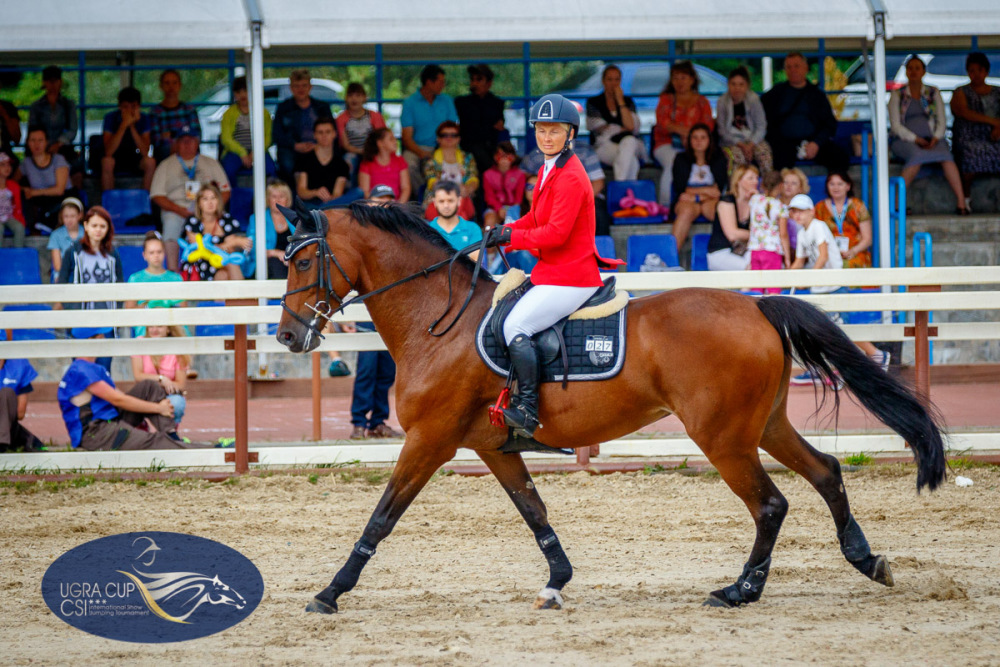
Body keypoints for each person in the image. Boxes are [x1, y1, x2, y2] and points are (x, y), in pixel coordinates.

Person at [482, 94, 624, 442]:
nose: (547, 137)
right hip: (552, 273)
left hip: (571, 277)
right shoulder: (549, 168)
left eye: (554, 131)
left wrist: (513, 239)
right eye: (541, 130)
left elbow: (557, 234)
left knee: (515, 324)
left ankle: (529, 409)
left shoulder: (572, 177)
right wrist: (506, 231)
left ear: (569, 133)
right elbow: (537, 217)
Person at [786, 194, 890, 385]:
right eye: (793, 211)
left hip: (834, 287)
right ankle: (820, 369)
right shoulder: (802, 234)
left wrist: (806, 279)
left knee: (839, 330)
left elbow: (823, 256)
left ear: (811, 211)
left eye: (801, 210)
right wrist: (786, 278)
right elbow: (799, 261)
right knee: (817, 330)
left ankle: (875, 356)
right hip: (819, 289)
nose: (797, 214)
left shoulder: (818, 226)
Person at [58, 327, 211, 450]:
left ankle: (172, 436)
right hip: (97, 433)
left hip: (110, 420)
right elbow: (118, 400)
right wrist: (158, 408)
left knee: (148, 386)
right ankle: (201, 450)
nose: (105, 340)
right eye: (102, 337)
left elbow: (119, 397)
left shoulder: (91, 367)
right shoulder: (82, 371)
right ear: (95, 339)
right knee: (155, 442)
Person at [888, 56, 967, 214]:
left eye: (917, 68)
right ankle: (897, 204)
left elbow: (941, 120)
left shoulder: (932, 92)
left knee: (946, 157)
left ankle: (962, 203)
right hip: (905, 140)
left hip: (932, 140)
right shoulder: (898, 95)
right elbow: (896, 126)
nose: (914, 72)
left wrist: (936, 138)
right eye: (910, 68)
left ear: (924, 71)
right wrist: (915, 139)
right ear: (906, 71)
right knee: (916, 156)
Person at [149, 125, 230, 269]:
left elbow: (225, 190)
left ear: (197, 142)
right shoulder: (166, 165)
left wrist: (211, 209)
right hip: (176, 210)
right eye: (183, 140)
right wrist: (179, 210)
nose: (187, 144)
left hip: (206, 209)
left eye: (191, 140)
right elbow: (157, 195)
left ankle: (219, 268)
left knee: (224, 226)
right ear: (176, 143)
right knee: (170, 228)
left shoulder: (210, 163)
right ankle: (173, 272)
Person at [761, 52, 848, 172]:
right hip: (783, 144)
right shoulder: (776, 94)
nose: (793, 70)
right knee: (778, 159)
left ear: (806, 68)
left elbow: (830, 124)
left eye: (796, 66)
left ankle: (835, 188)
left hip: (813, 142)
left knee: (839, 157)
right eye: (789, 67)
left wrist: (817, 143)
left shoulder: (817, 95)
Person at [653, 61, 714, 206]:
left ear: (692, 79)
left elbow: (707, 127)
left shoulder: (702, 102)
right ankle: (665, 206)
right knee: (673, 162)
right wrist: (686, 133)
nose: (679, 82)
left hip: (696, 146)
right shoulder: (666, 99)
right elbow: (663, 123)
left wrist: (691, 137)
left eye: (683, 78)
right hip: (666, 145)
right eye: (675, 78)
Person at [520, 141, 611, 235]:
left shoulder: (585, 152)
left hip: (581, 198)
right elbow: (521, 178)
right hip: (546, 199)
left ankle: (599, 246)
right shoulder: (536, 155)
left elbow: (598, 182)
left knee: (596, 212)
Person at [951, 52, 1000, 212]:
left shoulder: (997, 91)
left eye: (979, 70)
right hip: (969, 137)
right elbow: (963, 112)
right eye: (972, 70)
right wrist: (993, 122)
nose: (976, 74)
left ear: (986, 71)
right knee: (970, 152)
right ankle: (965, 200)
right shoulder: (961, 92)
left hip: (995, 136)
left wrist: (998, 128)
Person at [670, 123, 728, 252]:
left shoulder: (719, 158)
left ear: (709, 140)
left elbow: (718, 190)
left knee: (720, 212)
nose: (699, 141)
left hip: (709, 201)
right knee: (686, 212)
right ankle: (671, 258)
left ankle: (729, 253)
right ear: (689, 140)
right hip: (687, 201)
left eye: (703, 137)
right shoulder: (680, 159)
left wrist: (695, 195)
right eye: (695, 138)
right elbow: (681, 189)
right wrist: (707, 191)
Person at [400, 64, 457, 191]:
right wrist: (422, 153)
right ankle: (422, 196)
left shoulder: (447, 101)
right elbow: (407, 138)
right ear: (428, 82)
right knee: (408, 165)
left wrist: (442, 149)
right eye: (440, 82)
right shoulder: (410, 103)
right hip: (417, 147)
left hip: (443, 145)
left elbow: (452, 129)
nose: (443, 85)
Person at [180, 183, 250, 281]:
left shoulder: (227, 220)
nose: (210, 202)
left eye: (213, 198)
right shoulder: (193, 221)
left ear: (219, 201)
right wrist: (234, 242)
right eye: (205, 199)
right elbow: (200, 248)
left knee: (225, 271)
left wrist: (229, 245)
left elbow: (230, 250)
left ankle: (241, 296)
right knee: (229, 265)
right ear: (199, 203)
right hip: (199, 264)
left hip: (221, 263)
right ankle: (245, 296)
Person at [587, 64, 645, 181]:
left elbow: (631, 126)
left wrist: (620, 101)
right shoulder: (594, 102)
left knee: (629, 142)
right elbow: (599, 127)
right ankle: (625, 192)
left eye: (617, 79)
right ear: (603, 81)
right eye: (610, 79)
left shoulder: (627, 102)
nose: (613, 83)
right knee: (632, 161)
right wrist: (620, 128)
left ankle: (619, 186)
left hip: (626, 144)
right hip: (603, 146)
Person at [274, 69, 334, 182]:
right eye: (296, 86)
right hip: (293, 149)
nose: (300, 89)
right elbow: (277, 134)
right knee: (286, 163)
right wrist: (295, 145)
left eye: (304, 85)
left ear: (310, 87)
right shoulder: (284, 108)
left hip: (320, 146)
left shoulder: (322, 107)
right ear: (291, 88)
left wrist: (318, 145)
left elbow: (332, 131)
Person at [27, 66, 81, 186]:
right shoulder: (36, 106)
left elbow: (73, 129)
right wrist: (43, 144)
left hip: (63, 147)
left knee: (77, 169)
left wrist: (59, 143)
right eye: (49, 81)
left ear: (60, 82)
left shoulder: (68, 104)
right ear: (44, 83)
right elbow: (33, 129)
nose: (52, 85)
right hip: (40, 147)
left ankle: (74, 198)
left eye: (55, 81)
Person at [130, 325, 191, 429]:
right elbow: (138, 376)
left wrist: (165, 387)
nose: (154, 330)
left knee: (177, 403)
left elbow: (181, 384)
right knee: (131, 402)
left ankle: (170, 431)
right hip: (146, 392)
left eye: (159, 326)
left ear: (168, 329)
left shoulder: (177, 347)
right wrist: (162, 379)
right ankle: (140, 427)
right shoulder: (140, 342)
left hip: (168, 394)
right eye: (151, 327)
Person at [219, 76, 276, 186]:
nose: (243, 95)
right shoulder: (228, 114)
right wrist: (242, 153)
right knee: (227, 172)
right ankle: (231, 201)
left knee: (271, 170)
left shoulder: (264, 113)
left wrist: (256, 152)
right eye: (239, 92)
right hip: (235, 152)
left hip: (259, 151)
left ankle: (270, 200)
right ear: (235, 94)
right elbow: (226, 138)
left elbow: (268, 137)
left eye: (246, 91)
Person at [717, 66, 773, 176]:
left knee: (764, 153)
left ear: (747, 85)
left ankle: (768, 186)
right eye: (733, 84)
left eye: (741, 84)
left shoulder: (753, 99)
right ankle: (738, 188)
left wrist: (751, 145)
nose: (737, 88)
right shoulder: (722, 102)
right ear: (728, 85)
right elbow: (722, 130)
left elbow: (761, 126)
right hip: (731, 141)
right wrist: (741, 145)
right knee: (737, 157)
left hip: (753, 139)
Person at [295, 117, 362, 207]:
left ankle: (322, 210)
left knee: (358, 192)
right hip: (310, 205)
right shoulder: (304, 159)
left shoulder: (341, 164)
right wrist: (316, 192)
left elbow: (337, 195)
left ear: (334, 134)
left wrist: (330, 199)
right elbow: (301, 192)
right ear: (314, 135)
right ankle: (321, 211)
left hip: (331, 204)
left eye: (328, 132)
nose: (324, 136)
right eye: (320, 132)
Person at [101, 86, 156, 192]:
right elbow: (108, 151)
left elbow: (145, 151)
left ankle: (146, 201)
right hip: (116, 158)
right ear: (120, 107)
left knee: (150, 162)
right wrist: (123, 125)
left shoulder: (144, 119)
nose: (129, 110)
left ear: (139, 107)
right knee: (107, 162)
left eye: (133, 106)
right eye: (125, 107)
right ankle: (109, 201)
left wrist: (131, 126)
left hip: (136, 158)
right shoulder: (110, 118)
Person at [813, 171, 872, 269]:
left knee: (852, 265)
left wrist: (853, 251)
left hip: (855, 252)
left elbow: (867, 239)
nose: (836, 188)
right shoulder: (820, 208)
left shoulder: (858, 205)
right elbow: (816, 236)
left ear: (848, 186)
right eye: (832, 184)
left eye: (840, 184)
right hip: (827, 253)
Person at [455, 63, 506, 174]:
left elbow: (499, 127)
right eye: (472, 80)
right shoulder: (462, 103)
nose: (474, 83)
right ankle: (493, 174)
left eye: (479, 80)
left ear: (489, 83)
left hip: (491, 149)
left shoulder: (497, 103)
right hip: (469, 150)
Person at [423, 121, 478, 221]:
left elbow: (473, 178)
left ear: (459, 138)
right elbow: (432, 182)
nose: (449, 138)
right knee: (460, 214)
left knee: (462, 206)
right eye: (444, 135)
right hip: (437, 201)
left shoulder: (468, 158)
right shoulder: (430, 159)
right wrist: (454, 192)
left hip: (463, 200)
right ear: (438, 139)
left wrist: (467, 189)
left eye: (454, 135)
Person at [707, 165, 757, 271]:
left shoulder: (755, 202)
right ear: (738, 180)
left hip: (743, 251)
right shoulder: (726, 201)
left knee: (763, 262)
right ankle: (748, 288)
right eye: (751, 178)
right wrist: (759, 235)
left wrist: (759, 202)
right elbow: (732, 234)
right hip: (720, 253)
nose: (755, 181)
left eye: (757, 178)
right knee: (751, 268)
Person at [20, 126, 70, 231]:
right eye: (32, 140)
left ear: (47, 142)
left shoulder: (58, 159)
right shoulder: (26, 163)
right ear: (27, 142)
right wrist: (23, 189)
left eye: (40, 140)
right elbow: (11, 183)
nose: (36, 144)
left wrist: (34, 192)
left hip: (62, 200)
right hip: (41, 203)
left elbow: (59, 190)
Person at [747, 175, 791, 294]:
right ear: (781, 186)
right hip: (772, 251)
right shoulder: (781, 207)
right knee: (773, 288)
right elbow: (783, 234)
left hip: (755, 250)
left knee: (756, 288)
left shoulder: (754, 200)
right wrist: (787, 257)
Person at [336, 82, 387, 177]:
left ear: (364, 98)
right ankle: (349, 190)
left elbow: (382, 138)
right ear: (346, 98)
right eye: (350, 95)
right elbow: (345, 145)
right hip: (352, 152)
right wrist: (361, 151)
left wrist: (370, 152)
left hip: (373, 152)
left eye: (358, 95)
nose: (354, 99)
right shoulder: (341, 119)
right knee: (348, 161)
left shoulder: (374, 116)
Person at [125, 230, 184, 312]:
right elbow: (128, 314)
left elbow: (183, 313)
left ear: (164, 253)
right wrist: (147, 307)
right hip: (143, 323)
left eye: (159, 252)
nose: (156, 256)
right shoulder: (135, 278)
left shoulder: (176, 278)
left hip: (170, 324)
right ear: (144, 255)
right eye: (151, 253)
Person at [149, 69, 201, 163]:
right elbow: (156, 140)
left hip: (188, 149)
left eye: (174, 83)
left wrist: (171, 136)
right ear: (161, 86)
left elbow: (197, 136)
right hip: (164, 154)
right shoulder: (155, 112)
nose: (171, 87)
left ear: (180, 85)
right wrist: (179, 136)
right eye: (167, 83)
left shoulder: (189, 109)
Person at [248, 179, 295, 280]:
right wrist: (276, 253)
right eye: (274, 196)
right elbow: (252, 250)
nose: (278, 200)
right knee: (275, 263)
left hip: (291, 262)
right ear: (268, 199)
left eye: (281, 196)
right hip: (266, 264)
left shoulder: (295, 219)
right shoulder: (257, 219)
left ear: (287, 199)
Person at [427, 180, 482, 261]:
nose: (446, 205)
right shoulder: (426, 230)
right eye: (441, 201)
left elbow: (475, 261)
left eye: (450, 201)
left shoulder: (473, 229)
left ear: (459, 201)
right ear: (434, 202)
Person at [0, 354, 44, 452]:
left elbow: (20, 414)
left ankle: (2, 445)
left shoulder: (19, 365)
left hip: (7, 427)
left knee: (6, 393)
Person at [358, 128, 410, 202]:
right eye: (391, 139)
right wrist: (378, 203)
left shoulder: (400, 161)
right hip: (374, 206)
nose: (395, 141)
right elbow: (365, 191)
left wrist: (399, 206)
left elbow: (406, 188)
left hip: (396, 205)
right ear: (380, 143)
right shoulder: (367, 164)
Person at [482, 141, 526, 229]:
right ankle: (489, 242)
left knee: (516, 222)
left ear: (513, 158)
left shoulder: (520, 174)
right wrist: (499, 208)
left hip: (514, 208)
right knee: (489, 221)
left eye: (508, 156)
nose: (504, 160)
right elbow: (489, 197)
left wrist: (511, 211)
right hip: (494, 208)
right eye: (501, 156)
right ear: (495, 157)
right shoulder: (488, 174)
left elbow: (518, 198)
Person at [47, 197, 84, 276]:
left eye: (73, 216)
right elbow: (57, 266)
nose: (69, 220)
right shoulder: (55, 235)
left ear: (80, 215)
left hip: (84, 273)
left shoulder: (87, 233)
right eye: (66, 216)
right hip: (63, 274)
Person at [0, 151, 25, 247]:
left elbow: (17, 206)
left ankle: (18, 256)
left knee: (19, 227)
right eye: (2, 165)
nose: (7, 168)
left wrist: (20, 220)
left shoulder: (13, 185)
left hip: (8, 216)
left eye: (8, 165)